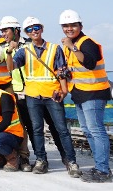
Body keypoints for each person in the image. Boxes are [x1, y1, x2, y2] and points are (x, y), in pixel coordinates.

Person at [6, 16, 81, 177]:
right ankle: (41, 160)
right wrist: (9, 52)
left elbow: (61, 70)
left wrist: (64, 90)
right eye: (30, 29)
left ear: (41, 28)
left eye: (36, 28)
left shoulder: (54, 49)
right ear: (26, 32)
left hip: (53, 95)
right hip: (33, 95)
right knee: (37, 129)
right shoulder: (24, 51)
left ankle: (71, 161)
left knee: (62, 130)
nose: (34, 31)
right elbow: (11, 67)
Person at [60, 9, 113, 183]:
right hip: (80, 93)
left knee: (96, 131)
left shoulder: (86, 43)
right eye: (66, 26)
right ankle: (100, 166)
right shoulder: (70, 45)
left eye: (73, 25)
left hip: (94, 93)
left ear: (80, 26)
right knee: (88, 131)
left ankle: (103, 171)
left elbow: (89, 63)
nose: (69, 28)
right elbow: (76, 69)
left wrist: (72, 47)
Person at [0, 16, 33, 171]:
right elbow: (10, 68)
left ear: (15, 30)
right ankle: (23, 158)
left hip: (33, 90)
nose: (3, 33)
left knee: (34, 127)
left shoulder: (30, 44)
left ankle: (38, 158)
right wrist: (10, 51)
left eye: (6, 30)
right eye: (2, 30)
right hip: (16, 90)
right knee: (21, 125)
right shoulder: (5, 47)